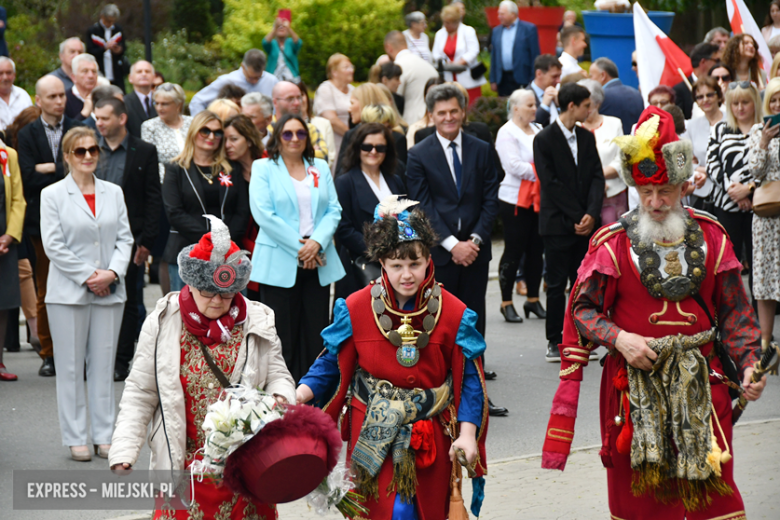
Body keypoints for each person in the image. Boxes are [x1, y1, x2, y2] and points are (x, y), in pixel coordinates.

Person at [541, 105, 767, 520]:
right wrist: (620, 339)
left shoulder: (713, 237)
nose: (655, 202)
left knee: (716, 500)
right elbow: (581, 311)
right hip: (632, 390)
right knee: (641, 504)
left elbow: (736, 313)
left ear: (684, 186)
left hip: (704, 380)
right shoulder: (610, 244)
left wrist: (751, 364)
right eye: (646, 192)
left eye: (665, 191)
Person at [296, 198, 488, 519]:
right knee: (385, 512)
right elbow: (331, 363)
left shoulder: (455, 313)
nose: (407, 275)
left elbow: (469, 379)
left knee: (420, 511)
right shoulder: (355, 307)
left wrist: (467, 433)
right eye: (396, 266)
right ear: (381, 263)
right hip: (371, 429)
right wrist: (299, 394)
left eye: (415, 264)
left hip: (431, 434)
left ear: (429, 259)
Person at [109, 216, 296, 519]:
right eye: (208, 293)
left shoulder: (258, 318)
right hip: (183, 471)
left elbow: (278, 375)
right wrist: (123, 450)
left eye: (225, 294)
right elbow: (140, 392)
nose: (217, 302)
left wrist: (281, 400)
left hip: (246, 468)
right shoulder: (162, 321)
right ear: (191, 283)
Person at [407, 84, 507, 416]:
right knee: (441, 324)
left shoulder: (481, 148)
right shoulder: (419, 154)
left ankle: (475, 393)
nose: (448, 117)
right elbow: (423, 206)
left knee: (474, 322)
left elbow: (492, 196)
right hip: (441, 254)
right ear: (431, 116)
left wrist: (476, 241)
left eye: (453, 111)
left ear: (463, 112)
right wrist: (452, 245)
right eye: (441, 113)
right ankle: (442, 393)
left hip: (476, 253)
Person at [40, 126, 133, 461]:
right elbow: (53, 245)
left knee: (103, 365)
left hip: (109, 290)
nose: (89, 156)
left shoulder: (114, 192)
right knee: (69, 366)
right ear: (67, 156)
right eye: (80, 151)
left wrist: (112, 273)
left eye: (93, 149)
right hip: (67, 293)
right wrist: (89, 276)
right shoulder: (51, 195)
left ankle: (104, 434)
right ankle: (76, 435)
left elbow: (125, 239)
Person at [248, 114, 345, 381]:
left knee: (316, 333)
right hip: (280, 261)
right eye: (287, 133)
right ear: (277, 137)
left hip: (319, 259)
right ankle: (282, 399)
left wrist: (316, 243)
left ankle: (313, 399)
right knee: (283, 338)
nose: (294, 139)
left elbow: (334, 209)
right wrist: (301, 249)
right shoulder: (263, 167)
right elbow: (264, 214)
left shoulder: (320, 167)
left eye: (300, 134)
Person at [17, 75, 84, 377]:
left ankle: (78, 349)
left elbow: (84, 171)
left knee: (80, 285)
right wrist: (63, 169)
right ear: (38, 100)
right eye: (53, 96)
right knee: (46, 288)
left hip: (80, 219)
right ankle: (49, 352)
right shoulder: (29, 133)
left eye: (62, 95)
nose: (60, 101)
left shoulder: (78, 129)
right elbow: (28, 177)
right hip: (41, 222)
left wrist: (51, 168)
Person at [533, 82, 604, 362]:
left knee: (583, 283)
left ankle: (583, 335)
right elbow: (549, 183)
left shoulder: (587, 138)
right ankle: (554, 339)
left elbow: (597, 177)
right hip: (556, 223)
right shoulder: (544, 139)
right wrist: (578, 215)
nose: (590, 109)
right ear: (572, 105)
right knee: (555, 282)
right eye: (587, 105)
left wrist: (592, 213)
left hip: (585, 221)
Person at [94, 97, 161, 382]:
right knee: (94, 297)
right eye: (96, 118)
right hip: (92, 238)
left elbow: (152, 198)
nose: (99, 124)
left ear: (121, 119)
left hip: (130, 239)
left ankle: (121, 360)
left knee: (128, 299)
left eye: (104, 118)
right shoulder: (90, 149)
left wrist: (146, 242)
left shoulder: (143, 151)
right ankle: (95, 358)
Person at [162, 111, 249, 292]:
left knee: (230, 314)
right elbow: (174, 213)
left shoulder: (232, 169)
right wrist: (210, 242)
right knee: (188, 314)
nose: (211, 136)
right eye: (205, 131)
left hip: (229, 254)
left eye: (217, 132)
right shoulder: (175, 169)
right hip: (188, 253)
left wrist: (223, 244)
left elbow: (242, 211)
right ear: (194, 132)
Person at [334, 122, 404, 299]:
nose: (373, 152)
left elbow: (406, 217)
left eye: (380, 147)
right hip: (361, 266)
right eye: (367, 146)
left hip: (398, 265)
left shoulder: (395, 180)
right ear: (357, 148)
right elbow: (343, 229)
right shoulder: (345, 182)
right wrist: (379, 251)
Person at [495, 89, 545, 324]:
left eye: (534, 104)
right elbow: (513, 166)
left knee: (537, 250)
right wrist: (542, 171)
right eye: (529, 105)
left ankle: (533, 299)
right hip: (514, 199)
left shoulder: (539, 129)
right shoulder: (506, 132)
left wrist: (539, 169)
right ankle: (506, 303)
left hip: (538, 197)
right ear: (515, 108)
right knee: (514, 250)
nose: (534, 108)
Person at [707, 81, 761, 290]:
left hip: (760, 206)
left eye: (745, 102)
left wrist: (749, 189)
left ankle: (761, 312)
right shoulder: (720, 129)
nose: (740, 107)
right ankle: (732, 310)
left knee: (759, 260)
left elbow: (770, 164)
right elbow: (712, 164)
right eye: (735, 103)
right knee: (729, 262)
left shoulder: (765, 128)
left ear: (754, 102)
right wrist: (734, 191)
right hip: (727, 205)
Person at [141, 82, 192, 295]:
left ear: (179, 104)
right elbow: (151, 162)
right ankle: (169, 300)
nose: (160, 108)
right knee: (165, 250)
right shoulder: (150, 126)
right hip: (166, 193)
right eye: (157, 103)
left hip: (193, 192)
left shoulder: (192, 123)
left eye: (165, 103)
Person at [748, 77, 780, 351]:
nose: (778, 104)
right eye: (774, 100)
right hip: (767, 218)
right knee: (765, 280)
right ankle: (765, 341)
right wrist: (764, 142)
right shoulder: (759, 130)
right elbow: (755, 172)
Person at [578, 79, 625, 225]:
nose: (585, 109)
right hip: (582, 196)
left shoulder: (614, 123)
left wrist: (597, 177)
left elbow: (621, 160)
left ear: (597, 103)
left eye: (588, 105)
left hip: (613, 192)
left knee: (613, 239)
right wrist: (594, 181)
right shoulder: (574, 127)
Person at [0, 137, 25, 381]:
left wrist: (10, 235)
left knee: (3, 304)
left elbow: (18, 198)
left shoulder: (8, 155)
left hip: (4, 239)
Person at [189, 49, 278, 116]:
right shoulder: (227, 81)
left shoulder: (272, 81)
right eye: (251, 77)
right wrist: (203, 125)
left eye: (258, 77)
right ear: (243, 66)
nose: (255, 81)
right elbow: (196, 101)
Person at [432, 5, 486, 107]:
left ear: (456, 22)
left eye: (448, 23)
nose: (445, 25)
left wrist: (459, 63)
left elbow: (473, 51)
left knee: (470, 106)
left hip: (468, 77)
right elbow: (435, 54)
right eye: (444, 22)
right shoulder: (440, 34)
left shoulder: (468, 31)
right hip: (448, 77)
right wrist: (445, 63)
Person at [384, 31, 439, 125]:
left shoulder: (398, 67)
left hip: (411, 123)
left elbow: (394, 99)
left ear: (389, 48)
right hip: (434, 120)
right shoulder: (428, 66)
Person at [686, 77, 724, 209]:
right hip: (701, 195)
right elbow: (680, 163)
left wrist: (703, 169)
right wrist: (697, 172)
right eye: (700, 97)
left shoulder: (732, 121)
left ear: (719, 97)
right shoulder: (690, 126)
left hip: (729, 193)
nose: (705, 100)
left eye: (709, 95)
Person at [489, 0, 541, 96]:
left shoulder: (529, 29)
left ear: (513, 14)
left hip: (522, 77)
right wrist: (493, 79)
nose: (499, 17)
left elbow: (535, 55)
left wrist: (534, 78)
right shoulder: (496, 31)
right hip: (503, 79)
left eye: (502, 14)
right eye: (499, 14)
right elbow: (494, 57)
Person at [269, 81, 328, 161]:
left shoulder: (310, 128)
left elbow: (324, 157)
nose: (297, 103)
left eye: (299, 98)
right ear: (275, 102)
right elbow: (266, 156)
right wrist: (309, 150)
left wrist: (286, 150)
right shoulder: (266, 128)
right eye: (290, 99)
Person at [313, 53, 355, 157]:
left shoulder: (353, 90)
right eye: (346, 67)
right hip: (333, 143)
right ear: (334, 72)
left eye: (351, 67)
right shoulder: (326, 89)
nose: (351, 70)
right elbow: (331, 120)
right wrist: (354, 137)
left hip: (351, 143)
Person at [589, 57, 644, 136]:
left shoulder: (601, 97)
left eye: (591, 76)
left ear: (603, 75)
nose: (590, 80)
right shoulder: (636, 93)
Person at [85, 4, 126, 92]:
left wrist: (119, 50)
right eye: (108, 21)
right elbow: (90, 52)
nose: (110, 24)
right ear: (102, 16)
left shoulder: (118, 30)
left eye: (112, 21)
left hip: (116, 71)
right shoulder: (93, 31)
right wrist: (104, 48)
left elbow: (123, 48)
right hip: (100, 69)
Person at [674, 43, 719, 119]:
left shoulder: (721, 83)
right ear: (703, 62)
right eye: (716, 60)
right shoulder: (680, 90)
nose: (719, 64)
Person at [299, 81, 336, 169]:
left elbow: (330, 157)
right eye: (292, 98)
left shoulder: (324, 123)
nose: (298, 101)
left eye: (301, 95)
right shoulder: (279, 126)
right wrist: (312, 152)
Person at [407, 77, 445, 150]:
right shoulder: (415, 128)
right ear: (425, 98)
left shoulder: (454, 125)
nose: (435, 98)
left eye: (440, 94)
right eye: (430, 94)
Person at [263, 15, 302, 82]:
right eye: (279, 27)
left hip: (291, 78)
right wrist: (275, 27)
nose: (281, 28)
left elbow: (298, 43)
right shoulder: (272, 43)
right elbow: (265, 43)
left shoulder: (290, 42)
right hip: (274, 78)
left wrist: (289, 28)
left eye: (284, 27)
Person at [527, 55, 562, 128]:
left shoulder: (558, 93)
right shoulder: (524, 96)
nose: (559, 81)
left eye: (559, 76)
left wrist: (560, 105)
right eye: (554, 76)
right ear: (539, 74)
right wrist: (544, 107)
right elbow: (529, 125)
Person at [124, 60, 157, 138]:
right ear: (130, 78)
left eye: (147, 71)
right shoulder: (124, 103)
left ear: (154, 77)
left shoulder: (162, 101)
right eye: (139, 72)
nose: (144, 74)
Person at [65, 53, 99, 120]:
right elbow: (66, 129)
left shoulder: (104, 96)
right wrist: (84, 113)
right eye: (85, 71)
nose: (91, 76)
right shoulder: (64, 100)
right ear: (73, 77)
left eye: (94, 71)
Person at [0, 58, 31, 131]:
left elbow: (31, 123)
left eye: (8, 73)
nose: (5, 77)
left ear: (14, 75)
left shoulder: (23, 95)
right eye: (0, 73)